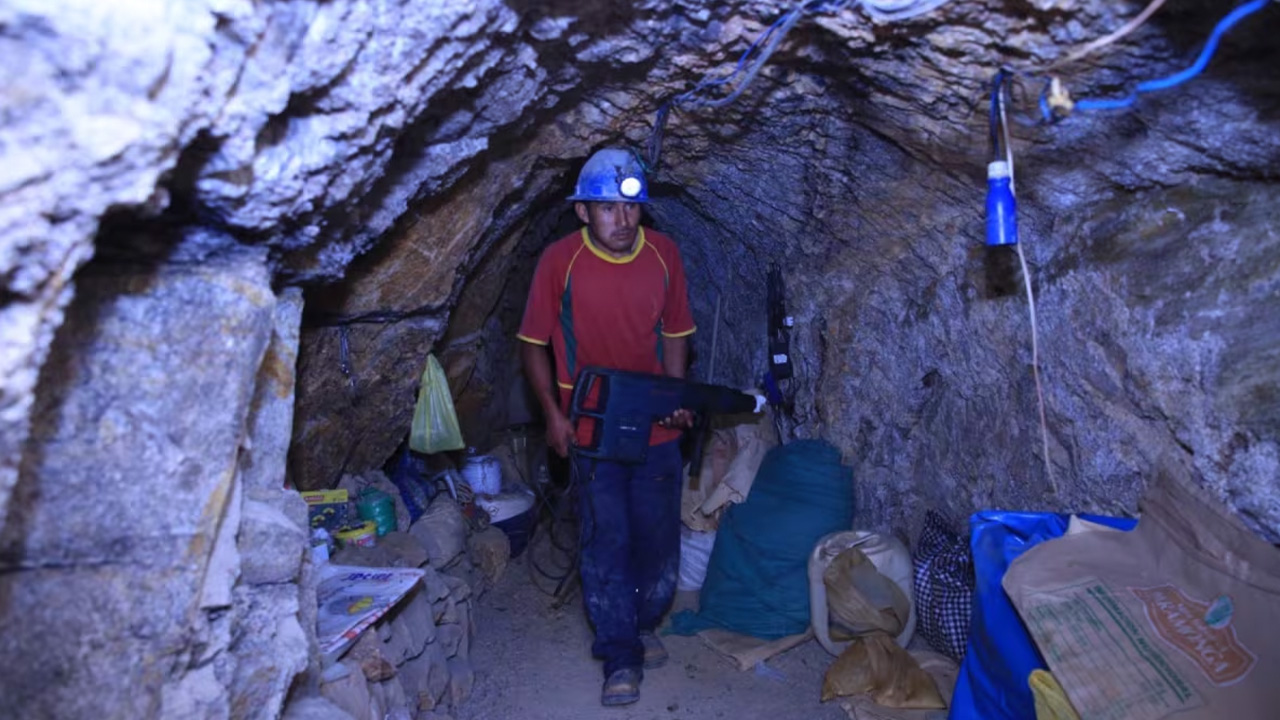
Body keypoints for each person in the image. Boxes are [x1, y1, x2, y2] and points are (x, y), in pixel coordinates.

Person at [517, 147, 696, 706]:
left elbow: (676, 333)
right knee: (607, 538)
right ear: (582, 212)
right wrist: (553, 414)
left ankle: (642, 622)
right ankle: (620, 654)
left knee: (658, 540)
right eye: (608, 209)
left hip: (655, 425)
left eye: (632, 208)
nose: (622, 220)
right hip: (591, 426)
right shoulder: (559, 261)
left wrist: (676, 396)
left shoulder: (664, 253)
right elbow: (533, 343)